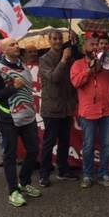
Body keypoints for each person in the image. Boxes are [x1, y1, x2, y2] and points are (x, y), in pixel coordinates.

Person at [0, 38, 42, 207]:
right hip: (8, 118)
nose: (16, 46)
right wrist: (12, 88)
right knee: (10, 156)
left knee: (33, 150)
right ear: (4, 50)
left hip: (28, 116)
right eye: (12, 44)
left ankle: (24, 182)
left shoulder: (22, 65)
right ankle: (13, 191)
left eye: (16, 44)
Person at [70, 35, 109, 188]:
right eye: (91, 44)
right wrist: (89, 70)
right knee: (88, 145)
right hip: (88, 112)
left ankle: (104, 174)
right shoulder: (77, 64)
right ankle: (87, 175)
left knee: (106, 145)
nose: (95, 47)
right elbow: (75, 82)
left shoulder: (106, 64)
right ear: (84, 48)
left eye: (97, 44)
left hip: (106, 110)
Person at [38, 30, 79, 187]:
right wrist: (63, 60)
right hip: (51, 108)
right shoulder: (44, 59)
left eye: (60, 38)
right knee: (49, 142)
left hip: (66, 107)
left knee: (64, 141)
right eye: (54, 39)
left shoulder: (69, 56)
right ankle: (44, 174)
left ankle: (63, 170)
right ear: (49, 40)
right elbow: (54, 78)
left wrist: (74, 46)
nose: (57, 41)